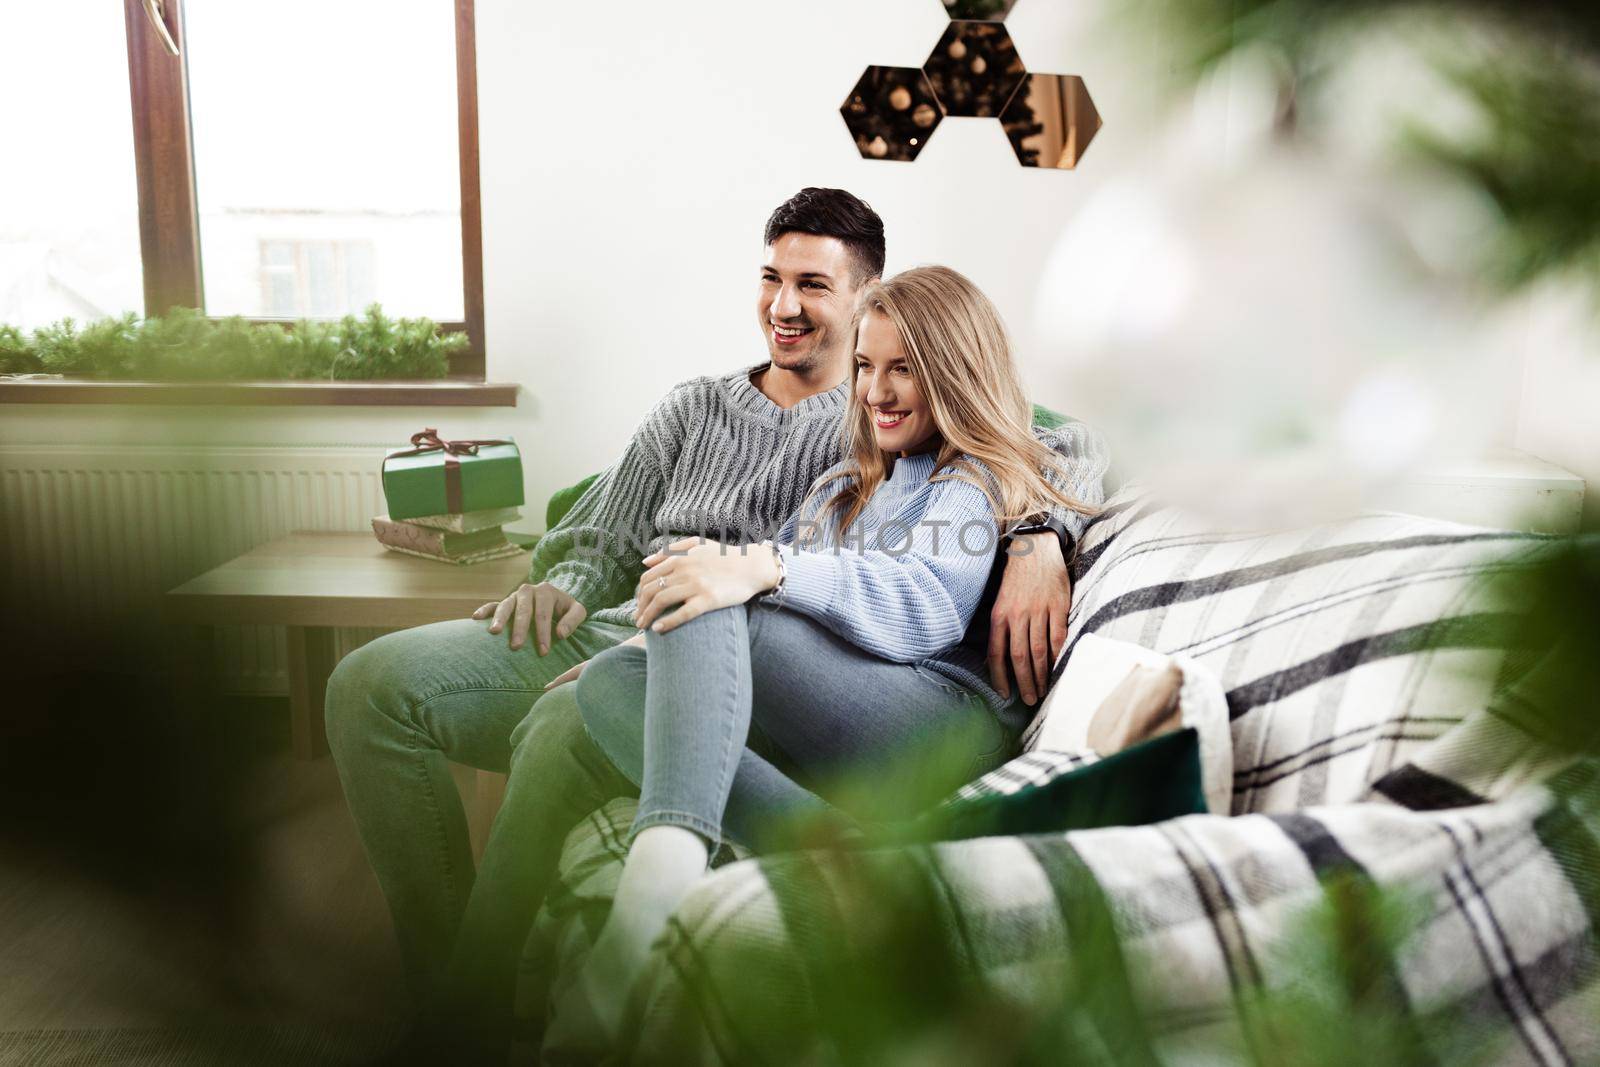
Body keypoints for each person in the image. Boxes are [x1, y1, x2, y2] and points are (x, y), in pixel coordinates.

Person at [324, 188, 1109, 1014]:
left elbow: (1047, 453)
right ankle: (464, 1007)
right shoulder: (794, 445)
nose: (785, 304)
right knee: (575, 692)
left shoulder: (940, 458)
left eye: (813, 285)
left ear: (865, 300)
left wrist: (1040, 536)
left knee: (695, 597)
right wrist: (574, 591)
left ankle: (649, 899)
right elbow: (600, 534)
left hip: (867, 683)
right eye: (773, 278)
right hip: (662, 632)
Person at [554, 265, 1099, 1048]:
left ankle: (653, 891)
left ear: (953, 369)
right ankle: (847, 860)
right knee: (610, 682)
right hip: (844, 719)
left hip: (941, 718)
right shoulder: (842, 485)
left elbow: (923, 605)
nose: (876, 390)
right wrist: (657, 644)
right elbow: (762, 589)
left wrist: (763, 568)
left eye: (903, 367)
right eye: (866, 367)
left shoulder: (974, 476)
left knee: (719, 586)